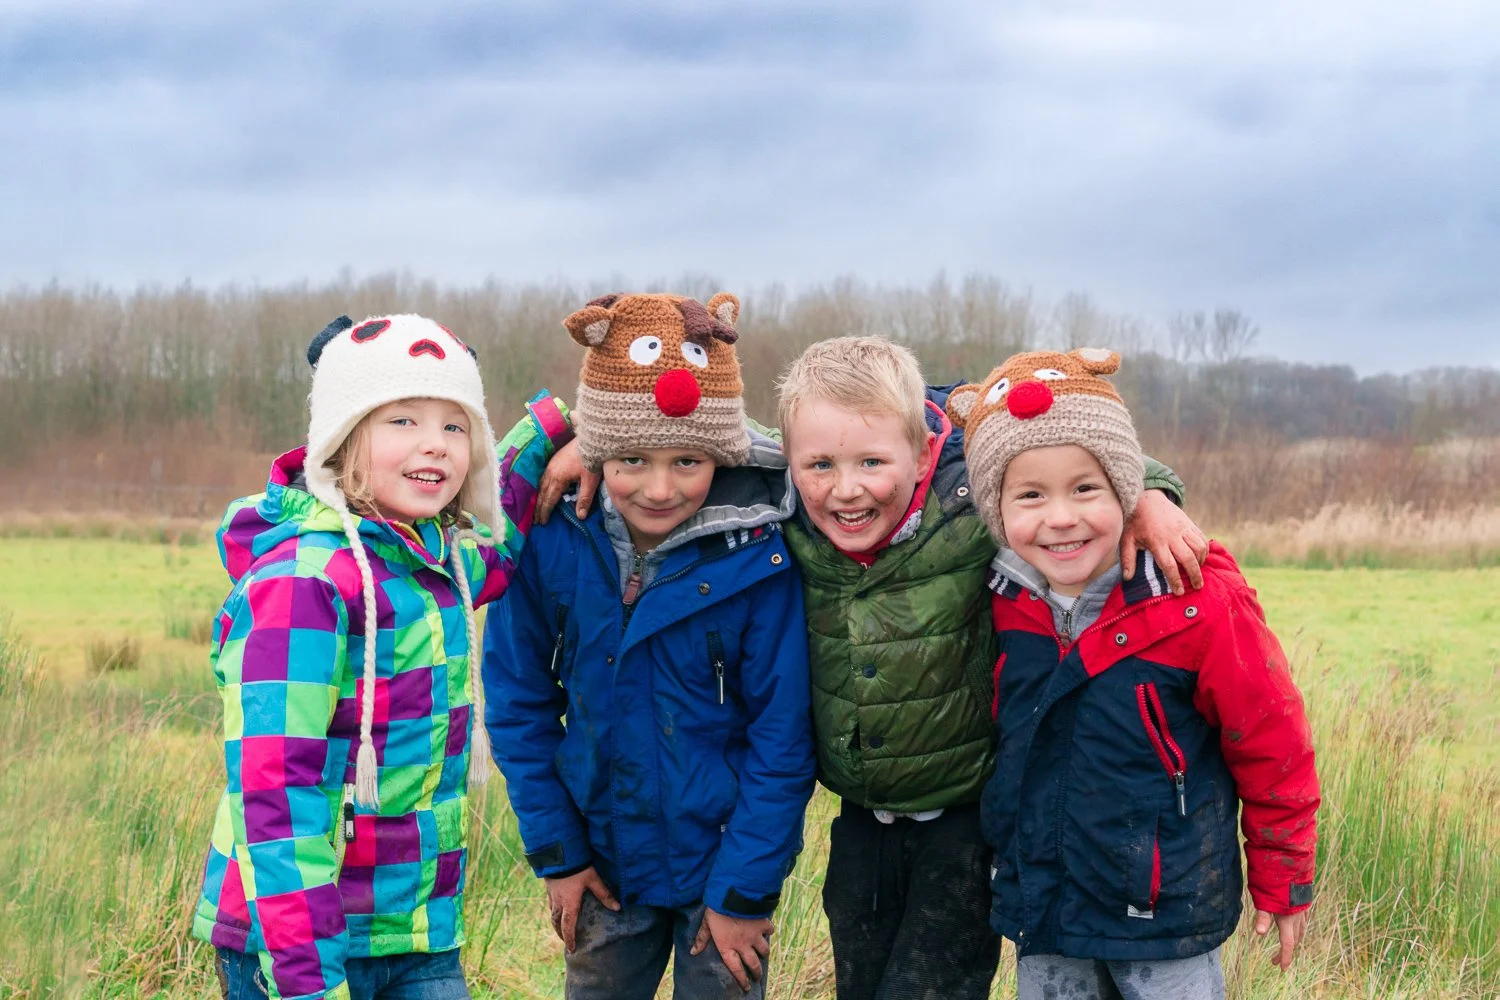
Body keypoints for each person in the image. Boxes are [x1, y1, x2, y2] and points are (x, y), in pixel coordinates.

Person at [538, 334, 1208, 1000]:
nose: (846, 489)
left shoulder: (971, 504)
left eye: (870, 463)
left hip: (962, 824)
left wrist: (1149, 492)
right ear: (793, 461)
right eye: (821, 465)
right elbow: (688, 420)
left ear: (921, 455)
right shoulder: (782, 507)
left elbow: (1066, 441)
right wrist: (585, 441)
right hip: (860, 819)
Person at [191, 314, 571, 1000]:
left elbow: (504, 530)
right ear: (342, 436)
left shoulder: (438, 562)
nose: (437, 445)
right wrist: (309, 983)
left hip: (418, 931)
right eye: (403, 421)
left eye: (456, 427)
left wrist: (553, 430)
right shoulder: (302, 586)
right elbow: (276, 799)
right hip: (301, 945)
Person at [947, 347, 1320, 1000]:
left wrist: (1284, 876)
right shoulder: (999, 600)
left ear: (1128, 489)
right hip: (1046, 909)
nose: (1060, 517)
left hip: (1166, 916)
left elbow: (1271, 740)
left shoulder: (1195, 598)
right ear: (995, 509)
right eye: (1030, 495)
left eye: (1086, 489)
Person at [483, 292, 815, 1000]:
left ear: (719, 454)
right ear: (596, 449)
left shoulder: (761, 555)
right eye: (630, 459)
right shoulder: (549, 538)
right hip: (601, 868)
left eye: (688, 462)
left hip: (721, 877)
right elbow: (517, 703)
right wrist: (559, 855)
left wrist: (744, 892)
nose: (659, 488)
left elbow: (782, 739)